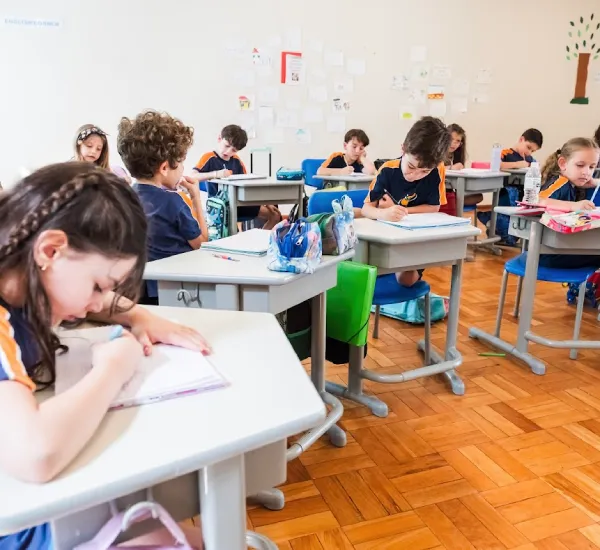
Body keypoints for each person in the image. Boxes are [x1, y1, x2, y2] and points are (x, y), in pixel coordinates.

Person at [0, 162, 206, 549]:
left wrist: (139, 315)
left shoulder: (20, 270)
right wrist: (113, 367)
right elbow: (37, 454)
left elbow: (93, 298)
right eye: (97, 285)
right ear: (50, 249)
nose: (97, 303)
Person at [117, 110, 209, 305]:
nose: (183, 169)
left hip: (136, 289)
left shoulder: (124, 197)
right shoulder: (172, 202)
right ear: (165, 168)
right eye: (181, 163)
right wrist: (195, 197)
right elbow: (202, 244)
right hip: (174, 290)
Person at [362, 116, 450, 287]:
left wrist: (401, 210)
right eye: (411, 166)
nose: (415, 175)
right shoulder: (388, 170)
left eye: (424, 171)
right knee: (369, 268)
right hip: (385, 233)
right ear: (403, 149)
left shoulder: (437, 170)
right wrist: (384, 213)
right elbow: (366, 208)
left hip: (416, 236)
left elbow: (434, 207)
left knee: (406, 280)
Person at [192, 124, 281, 229]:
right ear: (219, 138)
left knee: (275, 215)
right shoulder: (209, 158)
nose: (228, 152)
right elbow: (193, 176)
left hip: (238, 204)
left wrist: (266, 203)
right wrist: (215, 174)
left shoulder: (236, 161)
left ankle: (261, 239)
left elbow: (247, 185)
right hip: (220, 207)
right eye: (226, 146)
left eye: (234, 150)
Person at [538, 137, 600, 268]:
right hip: (548, 254)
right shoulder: (560, 182)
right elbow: (537, 200)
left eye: (592, 167)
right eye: (580, 165)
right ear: (563, 163)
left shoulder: (572, 184)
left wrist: (594, 182)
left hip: (561, 249)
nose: (586, 172)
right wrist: (573, 206)